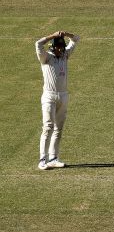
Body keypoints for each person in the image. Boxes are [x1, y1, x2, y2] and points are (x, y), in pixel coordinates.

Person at [35, 30, 81, 170]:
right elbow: (38, 44)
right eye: (58, 48)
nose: (61, 50)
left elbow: (76, 38)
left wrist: (66, 34)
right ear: (53, 47)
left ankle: (53, 158)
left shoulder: (65, 56)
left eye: (62, 47)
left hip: (63, 95)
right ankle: (43, 160)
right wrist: (53, 36)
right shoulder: (45, 57)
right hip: (49, 96)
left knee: (58, 128)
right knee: (48, 127)